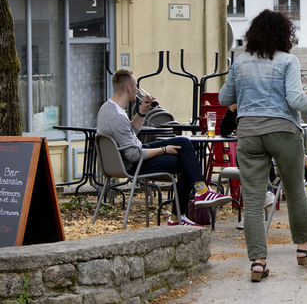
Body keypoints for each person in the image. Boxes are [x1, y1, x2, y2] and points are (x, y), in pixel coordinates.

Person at [220, 9, 307, 282]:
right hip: (283, 130)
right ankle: (304, 249)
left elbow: (225, 97)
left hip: (248, 132)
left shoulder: (240, 61)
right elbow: (295, 99)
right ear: (285, 34)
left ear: (253, 33)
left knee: (253, 198)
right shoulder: (288, 61)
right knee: (295, 190)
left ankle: (258, 263)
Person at [96, 69, 230, 227]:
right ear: (129, 89)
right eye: (136, 86)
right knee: (185, 161)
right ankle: (183, 210)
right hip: (132, 164)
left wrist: (141, 113)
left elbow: (129, 134)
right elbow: (133, 155)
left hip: (124, 157)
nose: (138, 90)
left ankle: (193, 200)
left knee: (183, 143)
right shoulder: (118, 117)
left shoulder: (107, 108)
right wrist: (164, 149)